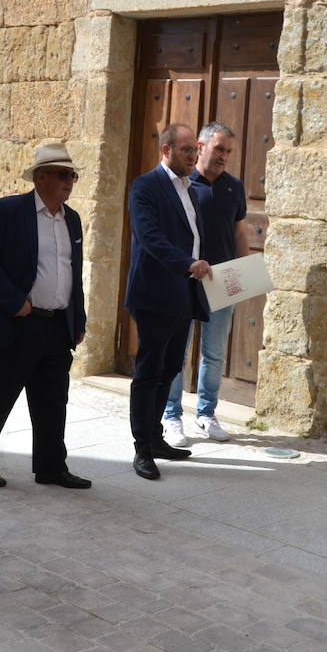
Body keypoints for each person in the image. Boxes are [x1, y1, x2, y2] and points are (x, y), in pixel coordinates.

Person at [0, 140, 91, 491]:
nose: (70, 181)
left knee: (53, 400)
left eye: (73, 176)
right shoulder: (8, 211)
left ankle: (51, 466)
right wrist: (12, 300)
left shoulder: (73, 220)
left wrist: (77, 319)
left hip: (56, 325)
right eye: (63, 175)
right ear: (41, 178)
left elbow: (72, 273)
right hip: (14, 322)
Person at [124, 122, 210, 480]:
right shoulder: (145, 186)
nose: (193, 156)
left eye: (195, 150)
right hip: (154, 294)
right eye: (187, 149)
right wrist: (188, 264)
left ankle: (156, 437)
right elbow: (151, 238)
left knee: (170, 368)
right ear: (167, 151)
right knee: (149, 371)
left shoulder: (192, 190)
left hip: (184, 293)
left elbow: (193, 239)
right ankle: (142, 448)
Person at [163, 122, 251, 446]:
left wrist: (244, 274)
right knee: (178, 350)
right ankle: (171, 417)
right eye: (219, 149)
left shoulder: (234, 187)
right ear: (200, 147)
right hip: (186, 280)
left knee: (214, 353)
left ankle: (206, 414)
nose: (224, 156)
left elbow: (240, 231)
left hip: (223, 281)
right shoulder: (183, 184)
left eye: (228, 151)